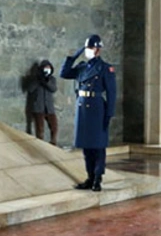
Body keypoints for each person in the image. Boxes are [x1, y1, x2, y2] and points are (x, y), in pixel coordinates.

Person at [61, 33, 117, 191]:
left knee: (98, 146)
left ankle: (97, 179)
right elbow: (64, 73)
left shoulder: (105, 68)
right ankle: (90, 177)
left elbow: (112, 93)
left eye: (91, 47)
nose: (88, 50)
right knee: (86, 147)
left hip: (97, 109)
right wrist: (73, 57)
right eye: (87, 48)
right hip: (82, 109)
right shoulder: (82, 67)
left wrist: (109, 114)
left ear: (98, 50)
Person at [26, 59, 58, 144]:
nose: (47, 69)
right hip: (39, 107)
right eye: (45, 68)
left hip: (49, 108)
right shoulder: (35, 79)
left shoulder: (52, 79)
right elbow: (30, 89)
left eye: (48, 68)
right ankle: (40, 144)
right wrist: (39, 79)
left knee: (54, 126)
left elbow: (53, 88)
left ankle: (53, 142)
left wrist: (46, 81)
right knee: (40, 128)